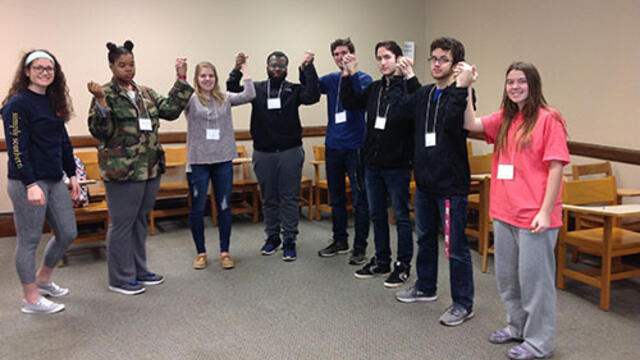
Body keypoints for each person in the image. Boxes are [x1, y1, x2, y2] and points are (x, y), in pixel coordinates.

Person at [461, 62, 568, 359]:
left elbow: (557, 166)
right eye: (510, 82)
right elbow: (471, 124)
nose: (515, 87)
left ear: (533, 85)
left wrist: (546, 211)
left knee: (536, 284)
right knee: (508, 279)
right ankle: (517, 327)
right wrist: (467, 86)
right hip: (505, 212)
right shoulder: (506, 118)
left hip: (535, 217)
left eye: (521, 81)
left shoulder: (549, 119)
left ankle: (539, 343)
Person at [87, 41, 194, 295]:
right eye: (122, 65)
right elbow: (99, 132)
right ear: (111, 65)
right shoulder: (105, 94)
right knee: (122, 223)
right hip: (122, 171)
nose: (128, 69)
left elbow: (169, 111)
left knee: (141, 222)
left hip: (149, 168)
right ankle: (120, 278)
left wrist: (181, 79)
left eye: (132, 64)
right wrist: (101, 102)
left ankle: (139, 269)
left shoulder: (145, 93)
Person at [390, 37, 476, 326]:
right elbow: (402, 109)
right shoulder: (426, 93)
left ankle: (463, 303)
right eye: (434, 58)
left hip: (451, 186)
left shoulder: (461, 94)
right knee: (424, 238)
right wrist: (403, 78)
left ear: (456, 65)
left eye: (444, 59)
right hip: (425, 183)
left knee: (455, 246)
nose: (437, 63)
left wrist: (463, 85)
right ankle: (425, 287)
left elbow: (453, 124)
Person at [2, 49, 79, 314]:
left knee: (68, 232)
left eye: (50, 68)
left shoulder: (54, 102)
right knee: (30, 239)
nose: (45, 72)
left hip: (53, 179)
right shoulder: (16, 104)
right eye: (39, 67)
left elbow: (63, 142)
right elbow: (16, 148)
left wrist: (72, 174)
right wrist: (30, 183)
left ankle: (43, 279)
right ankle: (30, 299)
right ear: (26, 72)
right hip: (27, 182)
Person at [227, 50, 320, 261]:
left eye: (281, 66)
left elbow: (313, 95)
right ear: (267, 67)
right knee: (268, 198)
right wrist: (237, 69)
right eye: (273, 65)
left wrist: (307, 68)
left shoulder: (293, 89)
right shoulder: (257, 89)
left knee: (289, 198)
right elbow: (232, 90)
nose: (277, 69)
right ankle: (272, 238)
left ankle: (289, 240)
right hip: (263, 152)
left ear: (287, 69)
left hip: (290, 152)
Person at [341, 41, 414, 288]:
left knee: (401, 217)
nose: (383, 62)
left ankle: (403, 265)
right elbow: (350, 102)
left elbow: (414, 110)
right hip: (373, 164)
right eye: (379, 58)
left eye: (387, 57)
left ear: (398, 59)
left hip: (398, 164)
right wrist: (348, 73)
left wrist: (406, 77)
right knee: (376, 214)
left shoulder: (407, 88)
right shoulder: (374, 88)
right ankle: (382, 260)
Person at [184, 54, 255, 270]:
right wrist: (180, 74)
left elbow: (250, 94)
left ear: (216, 78)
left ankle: (225, 252)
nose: (207, 79)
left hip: (223, 160)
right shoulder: (190, 99)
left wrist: (244, 71)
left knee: (224, 206)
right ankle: (201, 252)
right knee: (197, 208)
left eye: (211, 75)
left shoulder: (225, 98)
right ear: (197, 79)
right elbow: (174, 100)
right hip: (198, 162)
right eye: (203, 76)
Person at [317, 38, 371, 265]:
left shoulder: (364, 78)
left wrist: (351, 72)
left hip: (356, 146)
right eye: (337, 54)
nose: (341, 57)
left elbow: (359, 103)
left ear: (353, 54)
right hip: (333, 146)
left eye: (345, 53)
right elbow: (310, 89)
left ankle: (360, 247)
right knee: (336, 197)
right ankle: (340, 240)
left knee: (359, 198)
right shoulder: (330, 80)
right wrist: (306, 67)